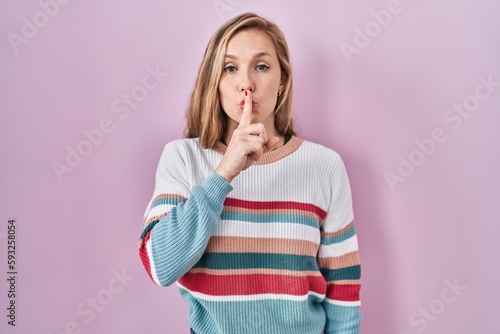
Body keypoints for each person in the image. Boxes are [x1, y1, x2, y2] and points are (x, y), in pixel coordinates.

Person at [138, 12, 362, 334]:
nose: (247, 84)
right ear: (214, 81)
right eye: (230, 68)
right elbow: (160, 265)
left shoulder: (324, 166)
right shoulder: (182, 158)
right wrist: (224, 173)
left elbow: (343, 289)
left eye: (261, 66)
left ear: (282, 79)